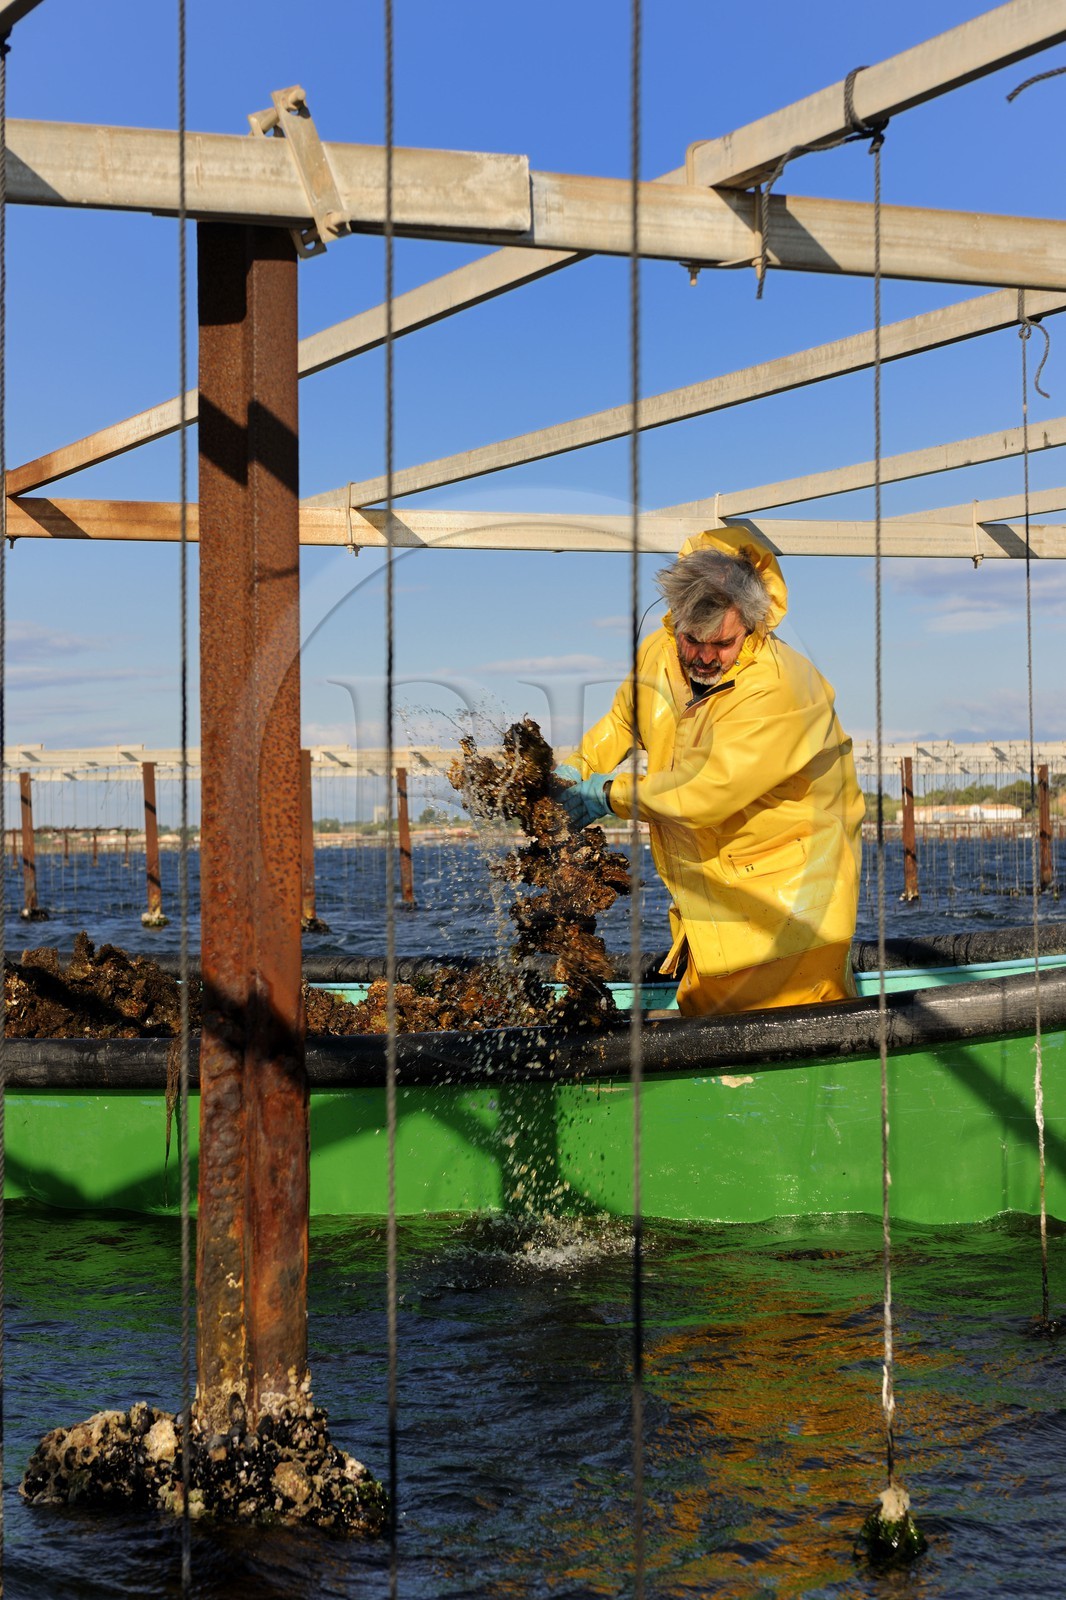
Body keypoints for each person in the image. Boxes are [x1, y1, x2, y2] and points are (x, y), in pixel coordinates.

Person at [554, 527, 864, 1016]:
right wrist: (577, 769)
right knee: (711, 1038)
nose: (701, 657)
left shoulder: (782, 688)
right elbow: (624, 718)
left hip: (791, 916)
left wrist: (606, 795)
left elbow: (705, 791)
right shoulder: (661, 652)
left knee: (788, 1048)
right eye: (690, 640)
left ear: (753, 625)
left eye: (720, 644)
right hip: (715, 910)